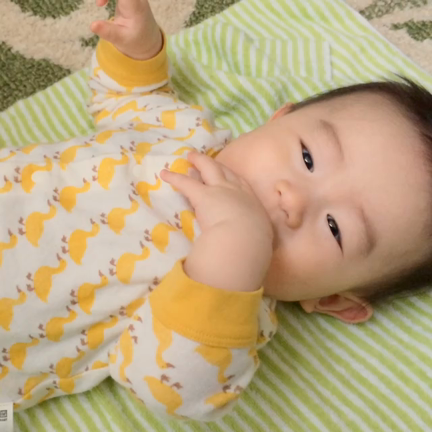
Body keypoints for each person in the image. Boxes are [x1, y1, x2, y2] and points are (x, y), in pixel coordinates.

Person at [0, 0, 431, 420]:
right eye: (307, 157)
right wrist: (139, 51)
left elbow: (166, 388)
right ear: (280, 118)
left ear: (332, 298)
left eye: (335, 228)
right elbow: (129, 100)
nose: (293, 198)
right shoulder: (190, 134)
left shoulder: (230, 323)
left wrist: (233, 247)